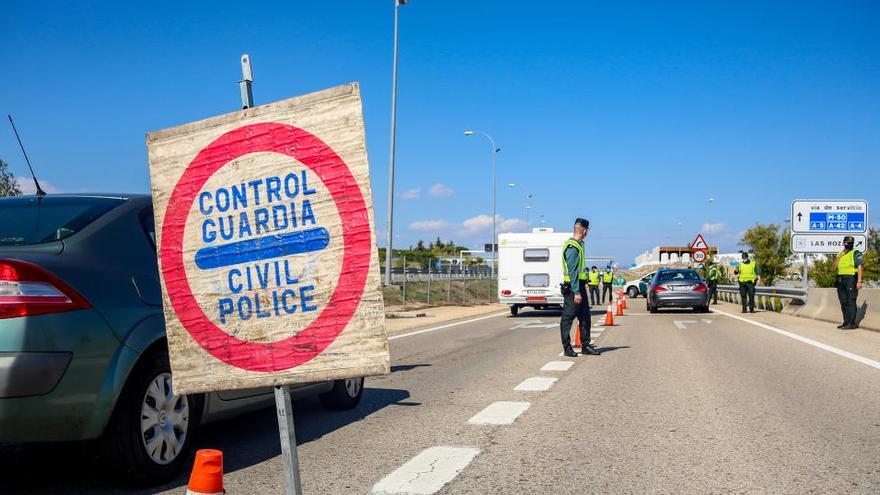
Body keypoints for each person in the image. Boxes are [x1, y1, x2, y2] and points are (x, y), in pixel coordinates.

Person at [559, 218, 601, 357]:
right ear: (584, 231)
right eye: (587, 230)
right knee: (568, 318)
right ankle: (567, 347)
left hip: (579, 286)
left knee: (585, 317)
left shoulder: (579, 244)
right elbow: (572, 271)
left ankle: (585, 345)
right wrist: (577, 291)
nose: (587, 232)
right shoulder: (572, 247)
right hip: (572, 288)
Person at [832, 235, 864, 330]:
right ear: (844, 243)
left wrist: (859, 281)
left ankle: (852, 323)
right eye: (847, 243)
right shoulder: (840, 254)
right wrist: (838, 258)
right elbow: (833, 267)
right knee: (843, 302)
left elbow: (860, 266)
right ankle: (846, 322)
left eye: (851, 243)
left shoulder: (856, 253)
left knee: (851, 301)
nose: (849, 244)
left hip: (851, 279)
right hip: (841, 280)